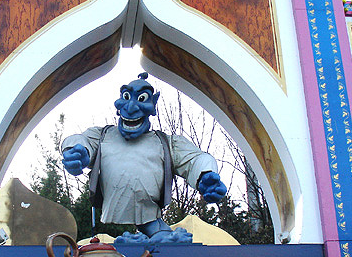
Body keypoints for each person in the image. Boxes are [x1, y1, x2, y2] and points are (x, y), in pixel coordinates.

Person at [61, 73, 227, 243]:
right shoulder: (103, 135)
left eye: (142, 99)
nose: (131, 107)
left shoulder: (166, 143)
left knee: (162, 240)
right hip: (107, 217)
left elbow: (193, 159)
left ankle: (158, 234)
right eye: (126, 97)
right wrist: (76, 150)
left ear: (153, 105)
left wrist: (205, 175)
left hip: (150, 217)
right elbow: (83, 140)